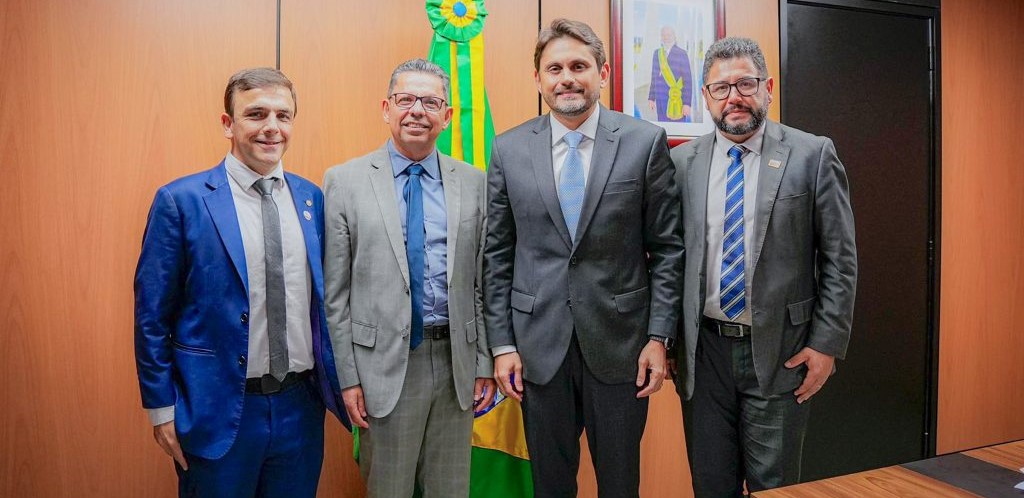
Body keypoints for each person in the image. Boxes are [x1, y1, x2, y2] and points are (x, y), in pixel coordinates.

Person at [483, 19, 684, 498]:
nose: (566, 77)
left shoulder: (644, 141)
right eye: (554, 68)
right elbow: (496, 253)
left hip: (622, 348)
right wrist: (502, 345)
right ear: (538, 80)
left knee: (620, 484)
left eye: (579, 65)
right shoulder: (509, 149)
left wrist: (659, 337)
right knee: (551, 486)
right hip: (537, 349)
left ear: (604, 71)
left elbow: (669, 249)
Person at [134, 67, 347, 497]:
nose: (272, 127)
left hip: (300, 410)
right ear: (228, 124)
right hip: (216, 411)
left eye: (283, 116)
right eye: (256, 114)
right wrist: (161, 409)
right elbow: (151, 317)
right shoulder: (182, 201)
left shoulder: (311, 200)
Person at [669, 37, 857, 497]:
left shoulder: (812, 155)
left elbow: (839, 258)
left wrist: (826, 344)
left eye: (745, 84)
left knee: (775, 488)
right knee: (711, 485)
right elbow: (669, 259)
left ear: (768, 87)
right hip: (705, 355)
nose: (734, 96)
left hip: (781, 352)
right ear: (706, 97)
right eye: (720, 88)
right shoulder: (681, 163)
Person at [322, 58, 496, 498]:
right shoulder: (345, 181)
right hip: (382, 367)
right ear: (386, 108)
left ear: (447, 116)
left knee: (450, 490)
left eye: (431, 101)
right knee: (388, 490)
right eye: (406, 99)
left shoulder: (476, 184)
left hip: (457, 364)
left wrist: (484, 363)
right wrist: (348, 377)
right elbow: (335, 296)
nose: (417, 110)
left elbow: (483, 283)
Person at [648, 25, 693, 122]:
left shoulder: (682, 53)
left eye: (669, 34)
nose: (666, 37)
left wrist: (687, 104)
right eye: (663, 35)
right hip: (660, 100)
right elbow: (654, 77)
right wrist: (651, 98)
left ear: (674, 36)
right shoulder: (657, 53)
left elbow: (688, 81)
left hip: (676, 99)